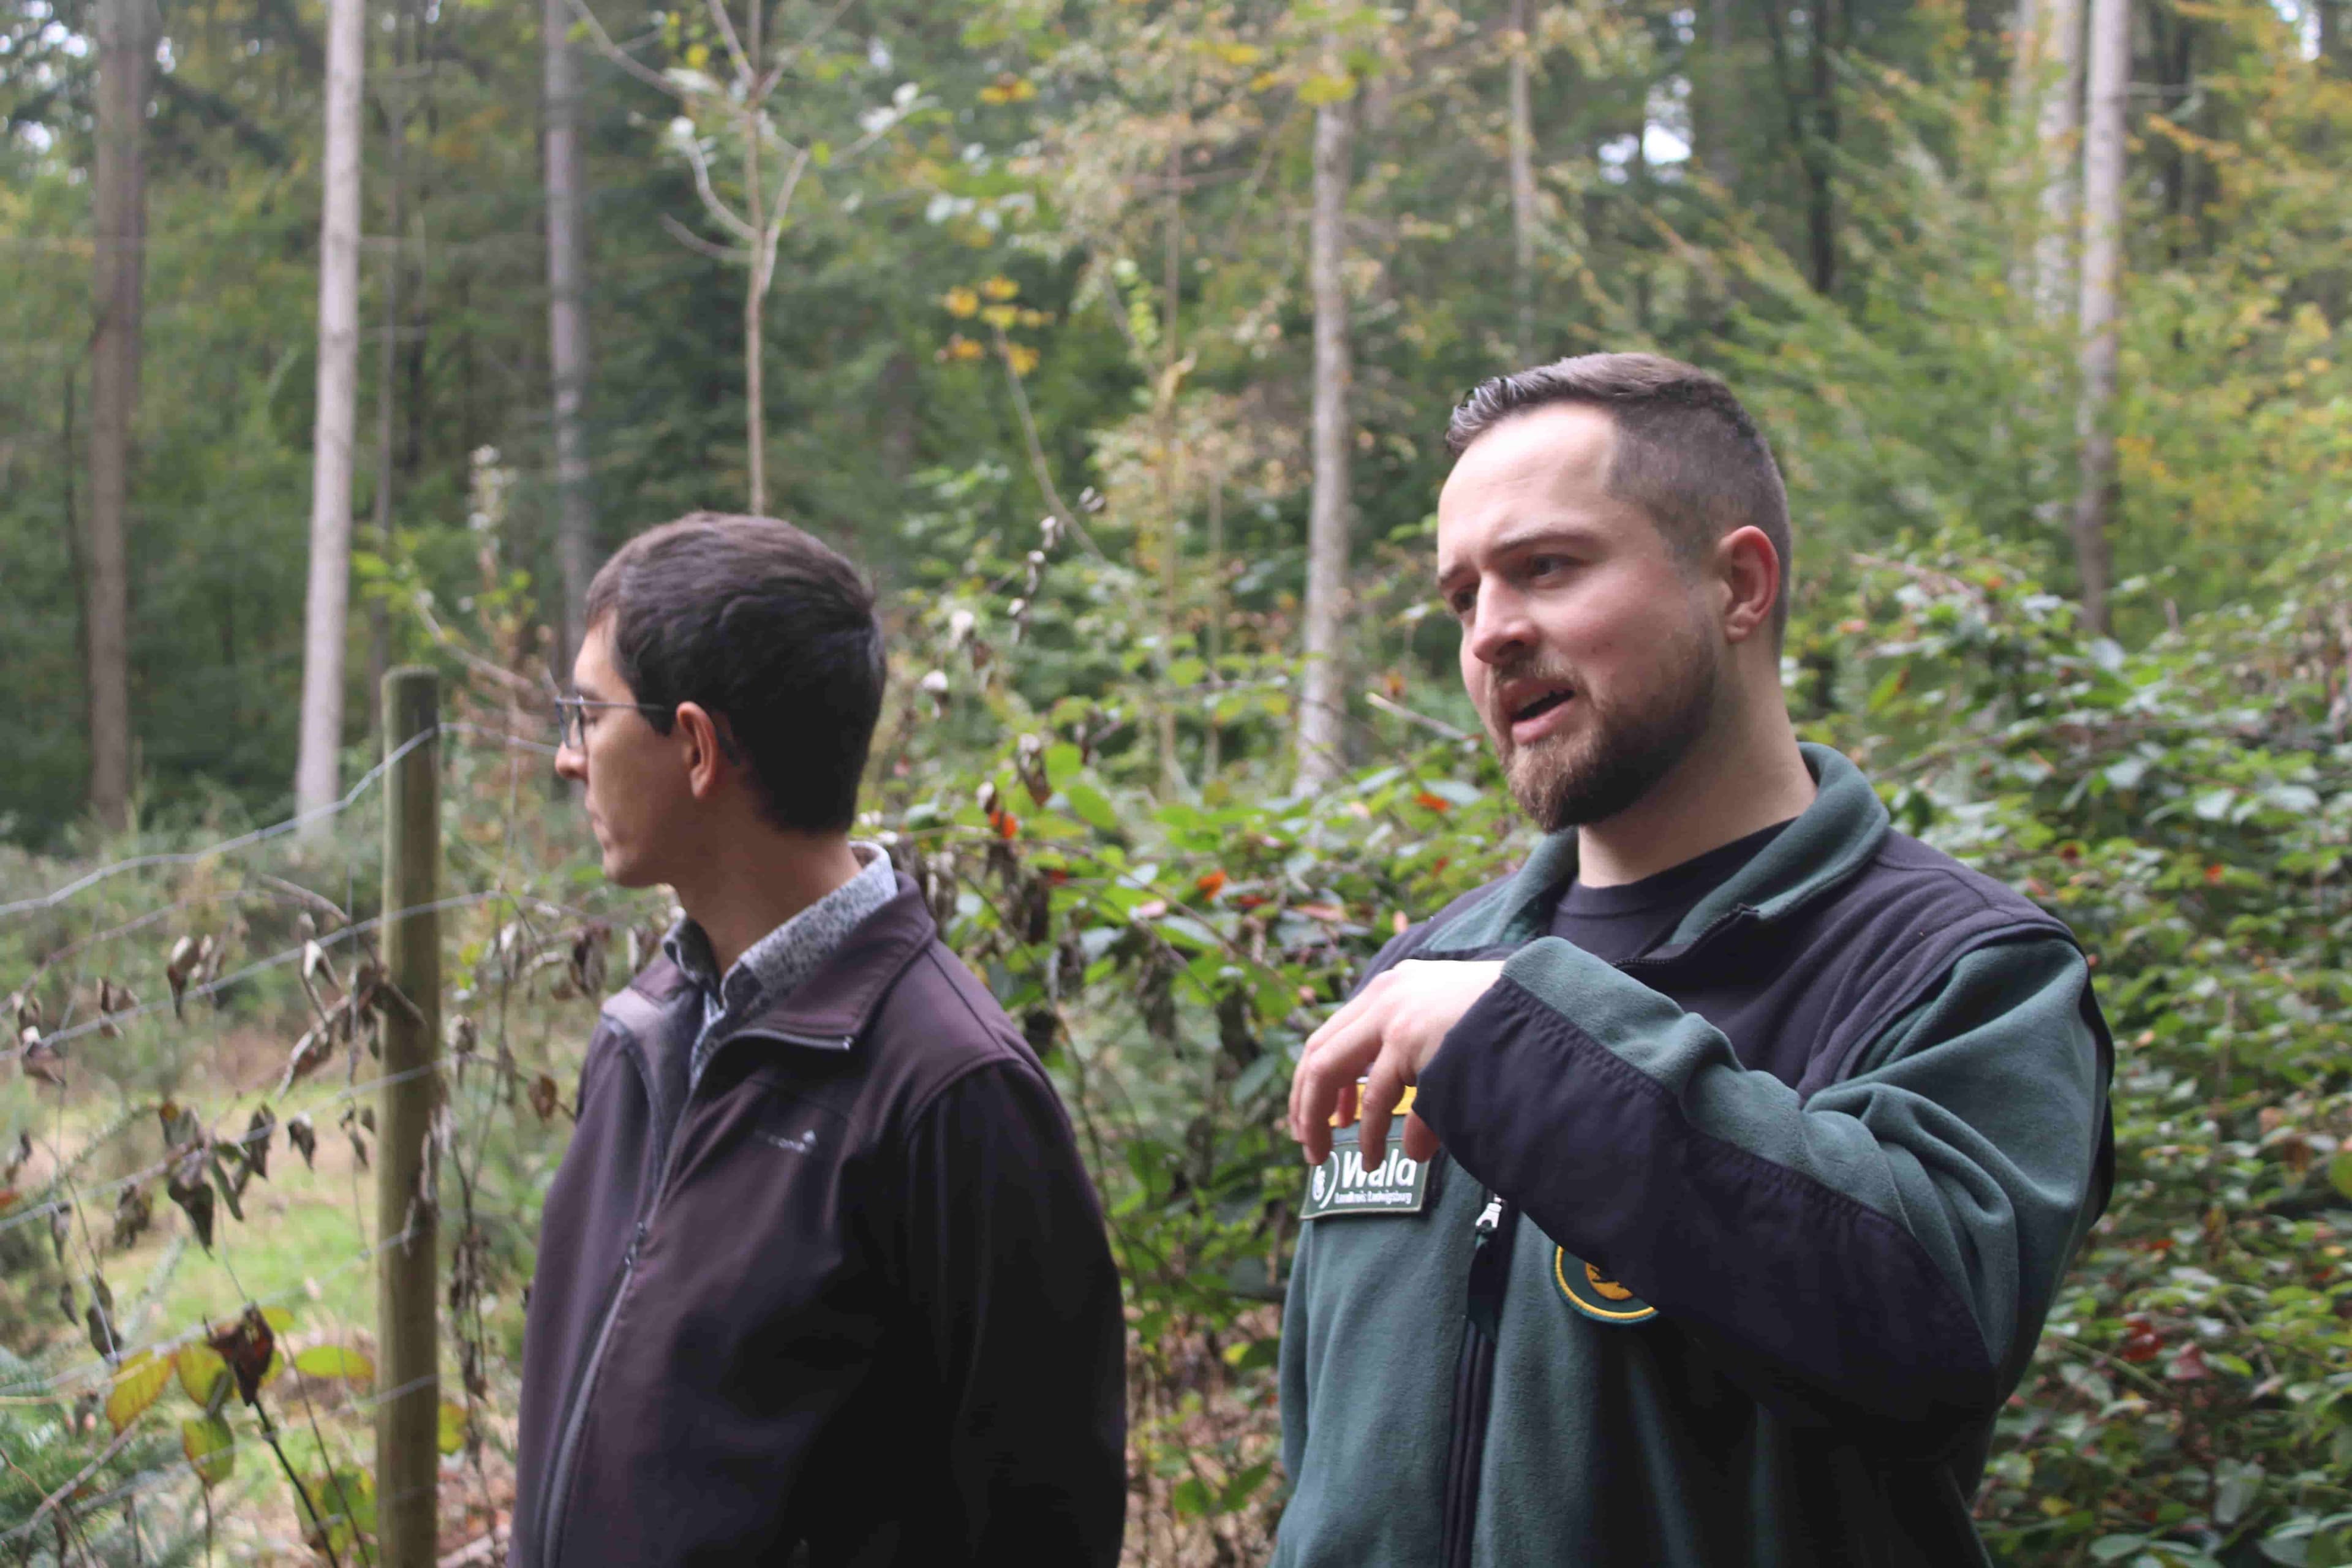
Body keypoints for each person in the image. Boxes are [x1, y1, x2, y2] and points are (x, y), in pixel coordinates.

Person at [1274, 355, 2114, 1567]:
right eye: (1463, 596)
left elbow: (1927, 1333)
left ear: (1739, 582)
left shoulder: (1963, 968)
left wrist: (1533, 1046)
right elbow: (1331, 1453)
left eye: (1546, 566)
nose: (1493, 631)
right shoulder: (1425, 972)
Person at [511, 513, 1126, 1567]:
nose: (568, 758)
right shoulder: (646, 1034)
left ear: (696, 746)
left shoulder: (951, 1092)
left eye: (590, 713)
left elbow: (1040, 1521)